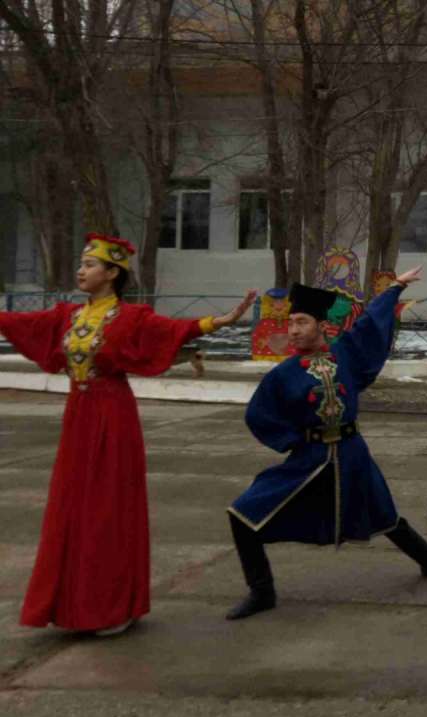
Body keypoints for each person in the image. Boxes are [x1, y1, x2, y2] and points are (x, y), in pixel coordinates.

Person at [0, 234, 256, 636]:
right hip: (78, 417)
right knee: (72, 508)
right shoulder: (68, 316)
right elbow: (16, 322)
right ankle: (72, 605)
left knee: (108, 508)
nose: (81, 271)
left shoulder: (132, 317)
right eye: (81, 264)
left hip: (113, 416)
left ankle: (114, 605)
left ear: (112, 273)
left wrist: (217, 322)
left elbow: (173, 330)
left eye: (89, 265)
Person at [226, 270, 427, 621]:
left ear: (322, 326)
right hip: (309, 461)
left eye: (302, 322)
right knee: (243, 514)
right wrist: (292, 441)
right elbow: (258, 415)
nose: (294, 330)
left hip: (352, 454)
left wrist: (396, 288)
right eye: (291, 324)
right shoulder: (283, 375)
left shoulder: (345, 355)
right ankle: (261, 591)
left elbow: (370, 325)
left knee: (386, 515)